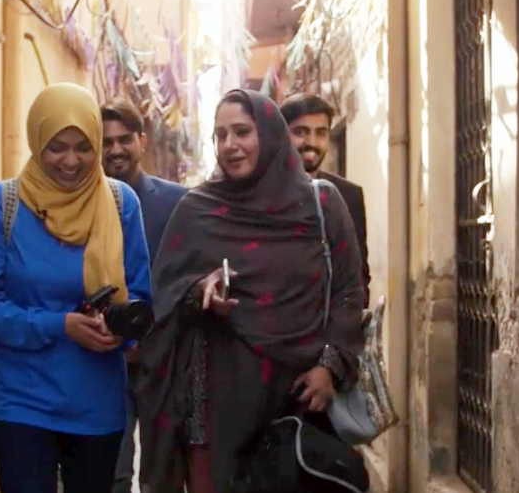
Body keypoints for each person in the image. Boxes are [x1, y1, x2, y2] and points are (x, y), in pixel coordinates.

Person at [137, 89, 365, 493]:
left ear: (269, 133)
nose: (230, 145)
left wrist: (330, 366)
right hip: (217, 406)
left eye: (242, 131)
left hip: (300, 398)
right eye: (220, 135)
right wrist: (200, 291)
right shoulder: (197, 210)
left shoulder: (320, 204)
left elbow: (347, 290)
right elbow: (165, 297)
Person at [0, 83, 151, 493]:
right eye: (56, 146)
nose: (70, 160)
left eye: (83, 147)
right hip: (22, 400)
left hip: (97, 402)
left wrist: (118, 327)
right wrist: (58, 325)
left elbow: (140, 297)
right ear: (36, 143)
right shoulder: (1, 207)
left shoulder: (121, 204)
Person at [100, 99, 187, 493]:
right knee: (110, 473)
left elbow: (188, 276)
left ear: (142, 140)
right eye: (106, 142)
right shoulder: (81, 205)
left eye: (123, 140)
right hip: (102, 361)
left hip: (161, 362)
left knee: (161, 473)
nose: (115, 149)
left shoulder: (176, 202)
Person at [279, 93, 371, 305]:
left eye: (321, 133)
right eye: (300, 132)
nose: (311, 142)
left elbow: (358, 276)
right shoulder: (263, 193)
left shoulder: (348, 196)